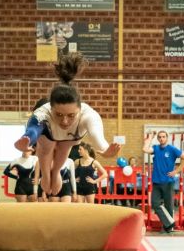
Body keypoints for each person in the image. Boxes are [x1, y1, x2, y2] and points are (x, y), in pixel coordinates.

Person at [14, 50, 120, 197]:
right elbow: (33, 129)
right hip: (49, 134)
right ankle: (46, 175)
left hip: (70, 139)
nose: (64, 121)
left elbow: (97, 135)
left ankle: (56, 172)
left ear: (79, 109)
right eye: (59, 114)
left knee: (64, 147)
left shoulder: (88, 115)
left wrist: (105, 148)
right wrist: (27, 139)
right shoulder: (43, 114)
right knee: (46, 148)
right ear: (51, 108)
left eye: (71, 115)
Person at [142, 130, 184, 234]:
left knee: (169, 205)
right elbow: (145, 149)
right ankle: (170, 223)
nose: (161, 139)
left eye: (163, 137)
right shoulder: (156, 148)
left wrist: (176, 171)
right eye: (159, 137)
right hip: (157, 181)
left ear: (167, 138)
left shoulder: (172, 149)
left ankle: (168, 227)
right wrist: (150, 138)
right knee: (155, 203)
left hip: (168, 181)